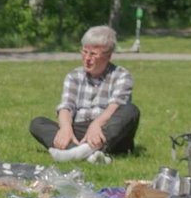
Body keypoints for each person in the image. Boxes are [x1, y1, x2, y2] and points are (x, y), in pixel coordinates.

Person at [29, 25, 139, 164]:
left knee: (131, 110)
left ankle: (78, 151)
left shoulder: (122, 75)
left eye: (93, 54)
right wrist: (65, 128)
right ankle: (85, 153)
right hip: (79, 129)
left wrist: (96, 124)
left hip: (109, 131)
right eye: (84, 52)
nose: (87, 58)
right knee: (37, 123)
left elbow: (114, 107)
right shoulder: (74, 76)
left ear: (108, 55)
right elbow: (66, 106)